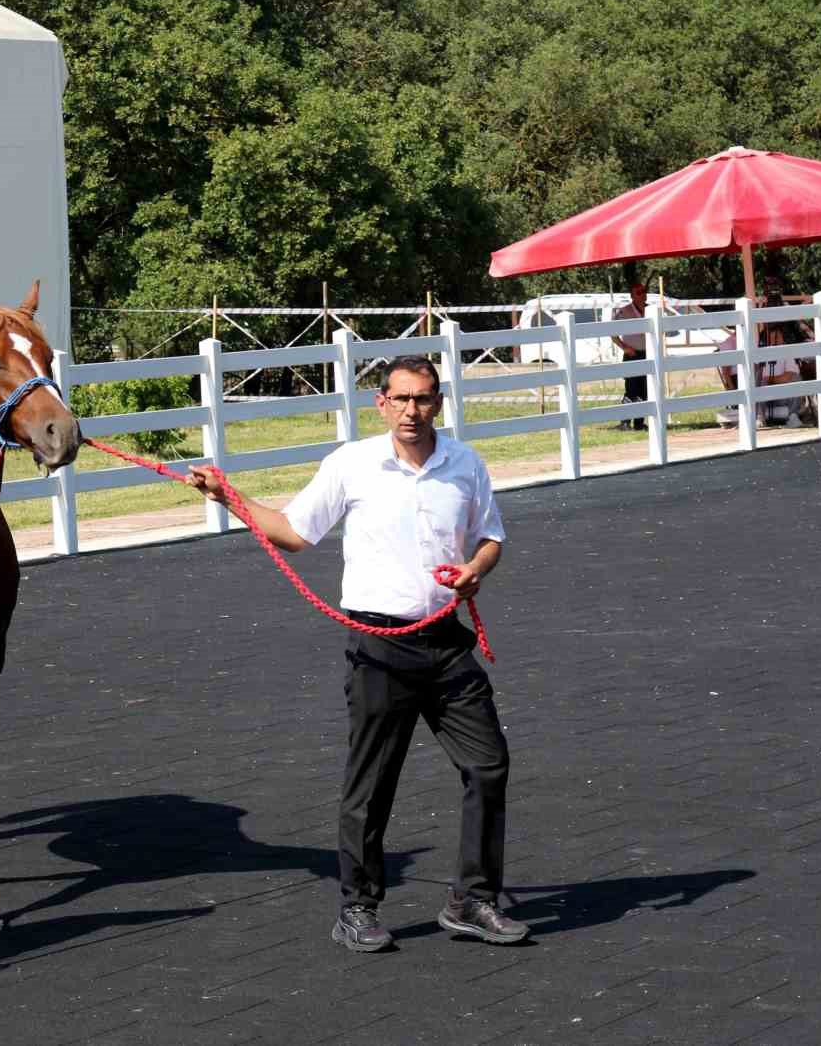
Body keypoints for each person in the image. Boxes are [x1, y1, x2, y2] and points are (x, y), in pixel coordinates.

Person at [185, 356, 526, 953]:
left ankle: (472, 900)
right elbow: (294, 532)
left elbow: (490, 536)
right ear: (381, 403)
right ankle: (358, 907)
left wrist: (475, 569)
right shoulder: (351, 466)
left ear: (439, 403)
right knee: (371, 784)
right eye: (400, 399)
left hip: (446, 643)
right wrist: (229, 497)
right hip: (379, 645)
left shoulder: (465, 465)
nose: (411, 412)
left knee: (488, 766)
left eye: (422, 400)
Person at [611, 283, 649, 430]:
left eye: (643, 291)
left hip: (647, 355)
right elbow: (612, 333)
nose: (642, 294)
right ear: (632, 296)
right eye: (638, 292)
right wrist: (624, 347)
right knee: (631, 391)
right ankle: (624, 422)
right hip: (632, 355)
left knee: (645, 391)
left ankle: (639, 423)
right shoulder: (624, 311)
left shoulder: (651, 309)